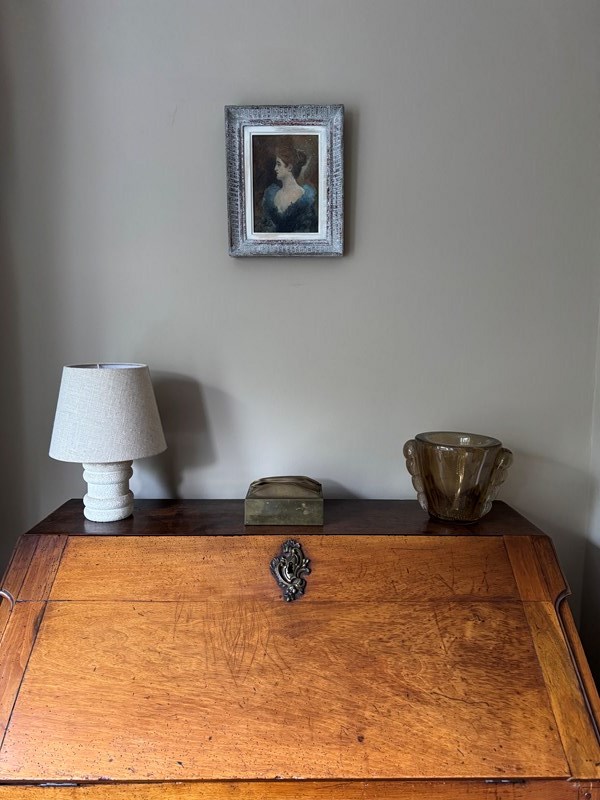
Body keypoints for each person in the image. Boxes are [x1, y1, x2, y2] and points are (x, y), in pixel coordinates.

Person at [260, 142, 318, 233]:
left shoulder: (306, 198)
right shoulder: (270, 195)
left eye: (278, 164)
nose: (275, 168)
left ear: (290, 167)